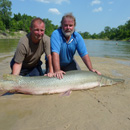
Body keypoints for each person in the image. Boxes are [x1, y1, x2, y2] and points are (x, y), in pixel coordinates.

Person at [48, 13, 101, 79]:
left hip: (69, 63)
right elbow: (55, 54)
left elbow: (84, 54)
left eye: (70, 25)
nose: (68, 28)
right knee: (54, 79)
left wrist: (91, 69)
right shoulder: (56, 34)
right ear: (61, 25)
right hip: (53, 63)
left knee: (80, 78)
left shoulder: (77, 37)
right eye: (65, 25)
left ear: (74, 26)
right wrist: (57, 70)